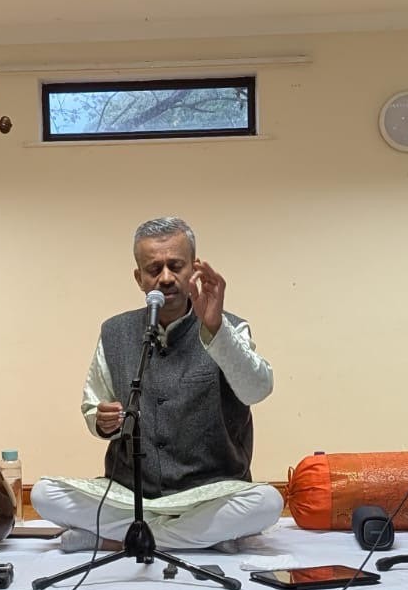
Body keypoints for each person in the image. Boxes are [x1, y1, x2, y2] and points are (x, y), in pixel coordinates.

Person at [30, 217, 283, 552]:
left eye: (175, 266)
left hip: (210, 492)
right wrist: (102, 421)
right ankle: (201, 538)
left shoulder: (230, 327)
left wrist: (216, 329)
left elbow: (257, 389)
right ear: (139, 277)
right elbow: (94, 406)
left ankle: (116, 540)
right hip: (132, 493)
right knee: (44, 494)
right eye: (154, 269)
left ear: (194, 269)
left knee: (267, 503)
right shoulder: (115, 332)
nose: (165, 278)